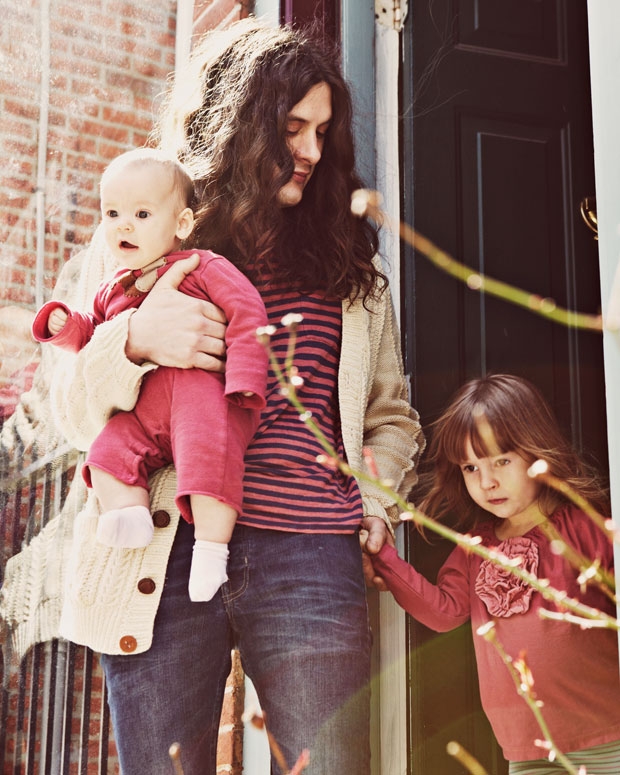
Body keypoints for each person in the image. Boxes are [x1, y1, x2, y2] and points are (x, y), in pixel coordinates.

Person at [42, 18, 424, 775]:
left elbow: (390, 415)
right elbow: (73, 413)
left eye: (323, 131)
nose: (313, 151)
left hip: (312, 555)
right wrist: (136, 341)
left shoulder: (348, 265)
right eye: (292, 128)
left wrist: (375, 504)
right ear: (242, 125)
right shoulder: (142, 238)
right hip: (162, 546)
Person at [31, 148, 268, 603]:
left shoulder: (203, 266)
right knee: (106, 453)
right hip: (145, 410)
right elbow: (92, 335)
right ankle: (129, 513)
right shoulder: (110, 286)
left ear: (180, 224)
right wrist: (62, 325)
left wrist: (244, 378)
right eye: (113, 213)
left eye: (141, 214)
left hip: (202, 397)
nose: (123, 224)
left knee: (207, 461)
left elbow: (247, 311)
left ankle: (211, 553)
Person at [366, 374, 620, 774]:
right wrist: (383, 556)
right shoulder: (474, 549)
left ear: (537, 454)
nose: (487, 482)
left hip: (610, 739)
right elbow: (444, 612)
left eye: (502, 461)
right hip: (526, 752)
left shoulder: (585, 528)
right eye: (471, 467)